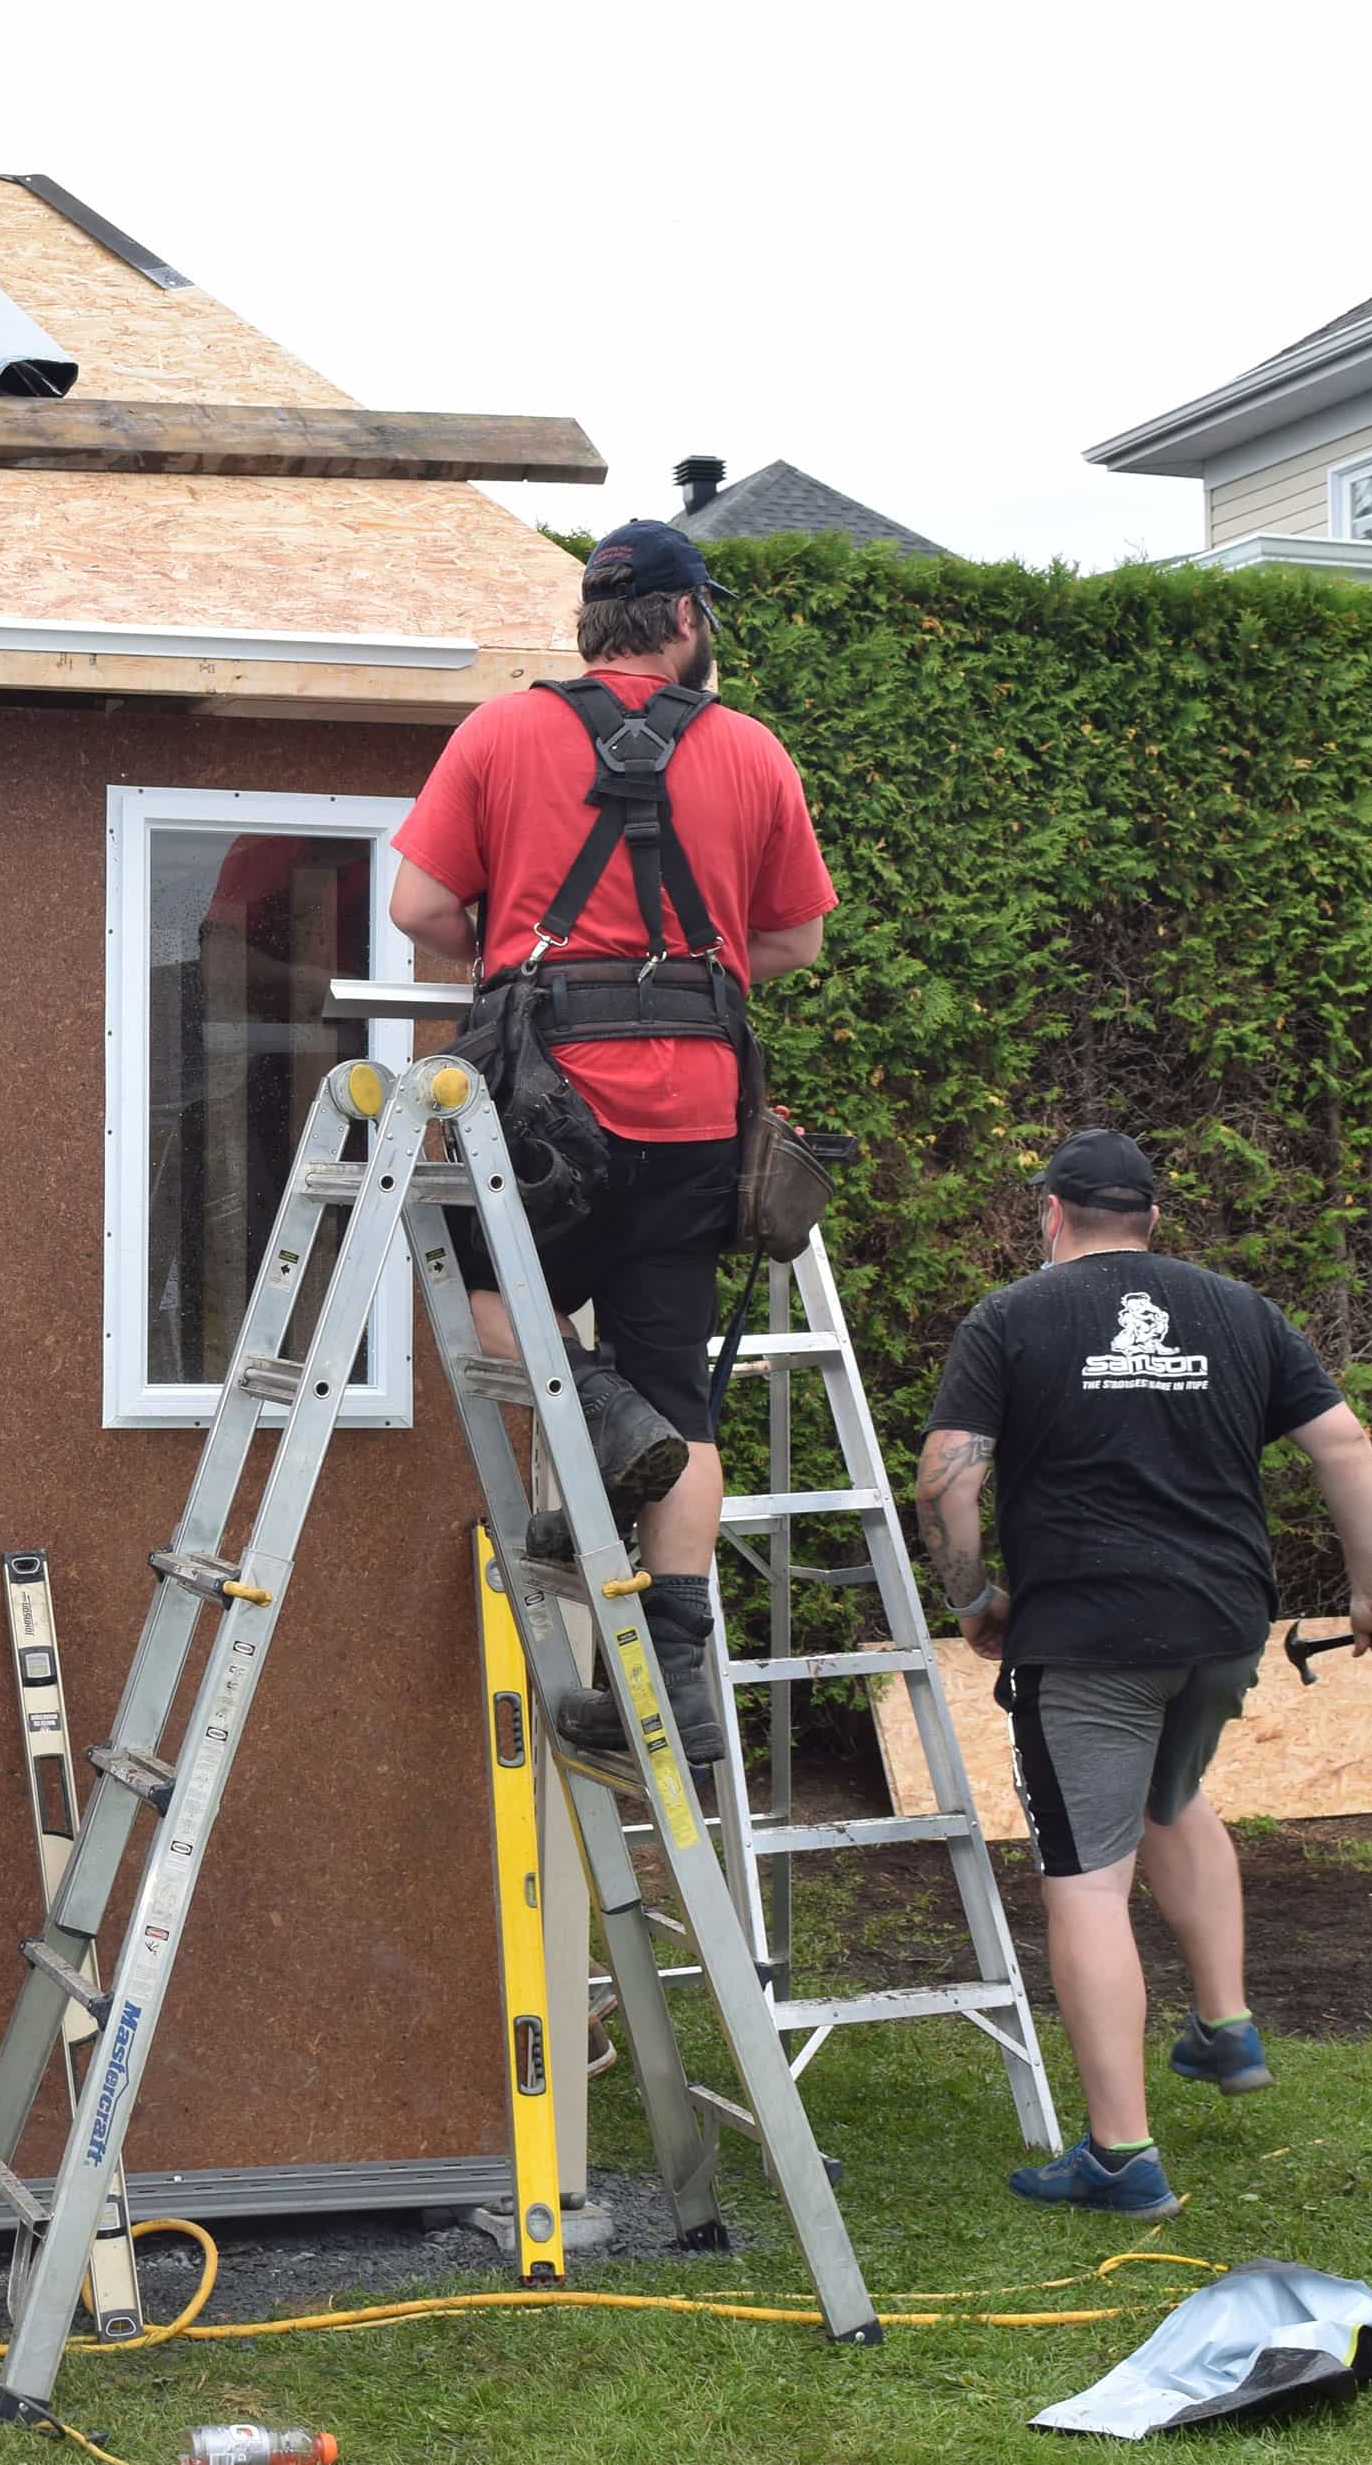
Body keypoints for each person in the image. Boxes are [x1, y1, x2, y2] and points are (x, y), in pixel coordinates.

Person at [387, 519, 836, 1761]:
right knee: (679, 1387)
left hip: (543, 1100)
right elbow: (793, 942)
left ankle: (598, 1412)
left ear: (592, 619)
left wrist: (516, 939)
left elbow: (418, 905)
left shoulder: (502, 729)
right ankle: (682, 1705)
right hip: (698, 1110)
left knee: (486, 1299)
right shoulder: (749, 749)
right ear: (688, 621)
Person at [915, 1129, 1372, 2219]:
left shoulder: (1011, 1317)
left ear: (1051, 1211)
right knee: (1170, 1793)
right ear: (1150, 1216)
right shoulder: (1239, 1311)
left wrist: (969, 1597)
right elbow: (1341, 1443)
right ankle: (1225, 2022)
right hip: (1220, 1623)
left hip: (1092, 1631)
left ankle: (1119, 2153)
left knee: (1088, 1878)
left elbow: (945, 1475)